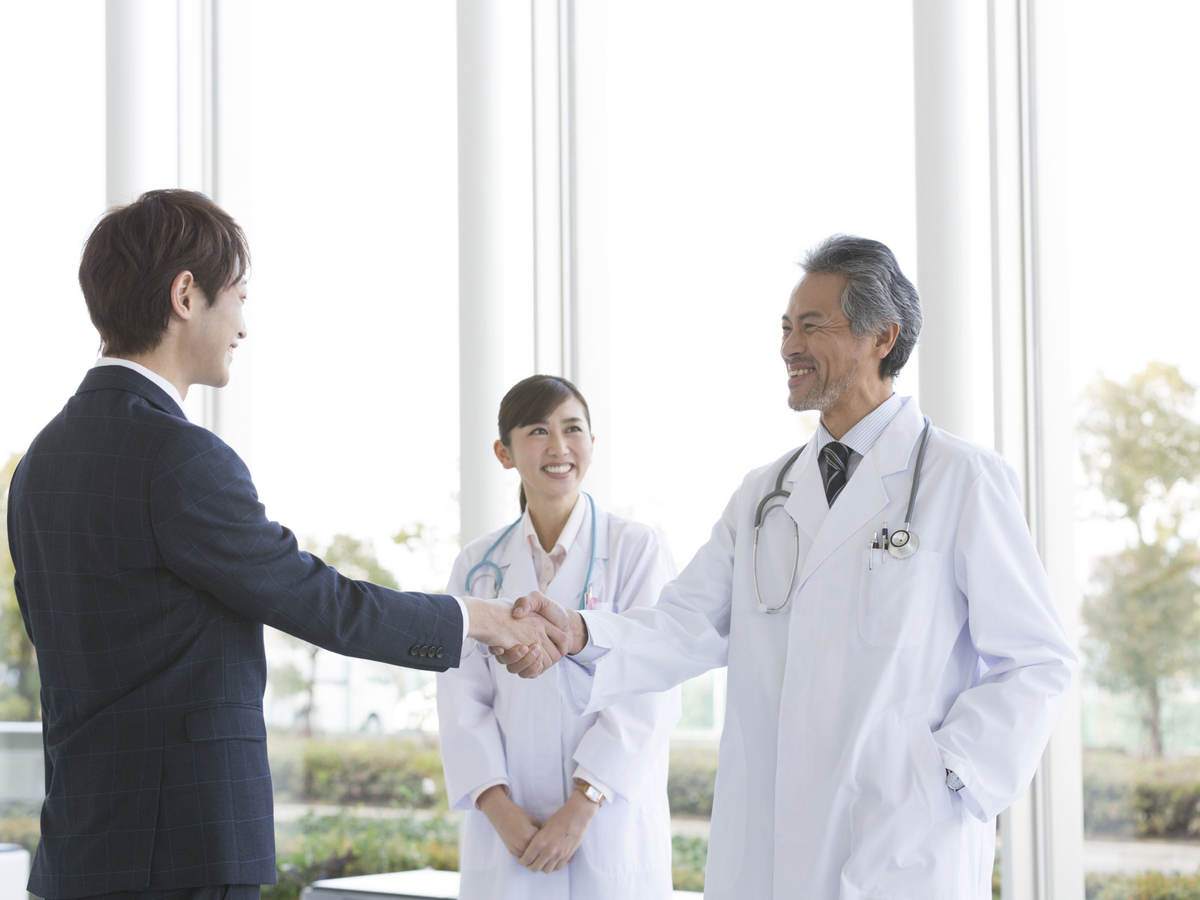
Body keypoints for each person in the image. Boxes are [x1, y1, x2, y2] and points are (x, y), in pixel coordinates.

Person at [5, 190, 565, 900]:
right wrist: (478, 618)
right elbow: (316, 600)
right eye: (236, 295)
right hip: (184, 851)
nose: (242, 323)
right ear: (186, 295)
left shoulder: (40, 465)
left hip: (82, 847)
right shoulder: (179, 457)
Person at [500, 236, 1077, 899]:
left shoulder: (961, 480)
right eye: (784, 327)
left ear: (881, 336)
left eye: (811, 326)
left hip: (898, 838)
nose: (787, 347)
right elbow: (685, 624)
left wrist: (946, 776)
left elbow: (1036, 659)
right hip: (769, 841)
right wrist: (578, 633)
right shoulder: (762, 495)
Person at [437, 375, 680, 900]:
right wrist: (497, 807)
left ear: (592, 442)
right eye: (538, 431)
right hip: (509, 826)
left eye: (573, 429)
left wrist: (583, 804)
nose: (559, 446)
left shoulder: (637, 549)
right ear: (504, 453)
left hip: (609, 821)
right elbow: (460, 697)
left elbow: (651, 686)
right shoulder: (477, 567)